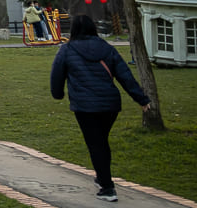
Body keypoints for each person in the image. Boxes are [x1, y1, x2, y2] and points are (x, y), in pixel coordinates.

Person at [51, 14, 151, 203]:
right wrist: (141, 99)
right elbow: (125, 76)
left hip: (85, 106)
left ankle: (107, 187)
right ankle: (102, 177)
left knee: (97, 144)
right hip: (110, 105)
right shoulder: (107, 48)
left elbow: (56, 76)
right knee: (100, 142)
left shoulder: (67, 49)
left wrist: (58, 94)